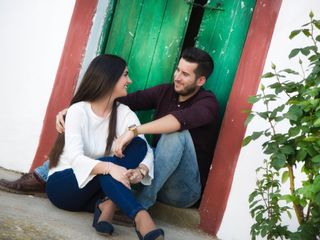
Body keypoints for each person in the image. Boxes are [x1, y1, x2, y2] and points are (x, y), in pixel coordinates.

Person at [0, 47, 218, 211]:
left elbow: (178, 121)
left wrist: (133, 131)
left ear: (200, 80)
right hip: (149, 175)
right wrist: (73, 110)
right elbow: (112, 99)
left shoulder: (208, 103)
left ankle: (139, 204)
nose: (177, 77)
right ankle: (42, 176)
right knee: (107, 118)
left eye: (185, 74)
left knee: (173, 135)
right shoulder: (165, 91)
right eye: (177, 70)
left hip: (182, 190)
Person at [36, 54, 164, 239]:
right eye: (125, 75)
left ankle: (107, 205)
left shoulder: (124, 113)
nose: (130, 80)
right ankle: (141, 217)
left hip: (94, 193)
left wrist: (141, 171)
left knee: (137, 145)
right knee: (105, 166)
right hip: (64, 188)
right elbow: (75, 158)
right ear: (109, 78)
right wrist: (111, 167)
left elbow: (144, 149)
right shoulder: (78, 111)